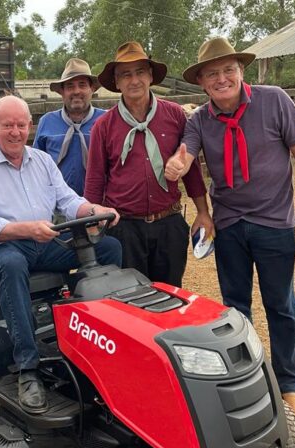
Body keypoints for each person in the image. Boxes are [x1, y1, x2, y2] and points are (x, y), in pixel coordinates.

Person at [166, 37, 295, 419]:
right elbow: (186, 152)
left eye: (228, 70)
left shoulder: (274, 100)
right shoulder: (200, 119)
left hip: (274, 223)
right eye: (212, 74)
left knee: (281, 304)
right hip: (230, 225)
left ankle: (289, 383)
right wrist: (178, 162)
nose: (222, 79)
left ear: (241, 71)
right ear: (202, 83)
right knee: (235, 308)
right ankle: (249, 377)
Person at [0, 95, 122, 414]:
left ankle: (90, 336)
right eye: (8, 125)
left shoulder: (42, 162)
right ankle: (28, 369)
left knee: (108, 248)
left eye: (21, 125)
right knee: (13, 264)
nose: (15, 132)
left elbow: (67, 200)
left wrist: (94, 209)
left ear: (29, 127)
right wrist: (29, 228)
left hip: (42, 238)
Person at [84, 41, 212, 287]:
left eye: (140, 72)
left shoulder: (174, 115)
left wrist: (203, 212)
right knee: (130, 300)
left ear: (151, 76)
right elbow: (95, 178)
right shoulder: (104, 125)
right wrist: (91, 223)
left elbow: (192, 172)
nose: (134, 80)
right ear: (117, 82)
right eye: (126, 75)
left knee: (171, 293)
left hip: (169, 222)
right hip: (124, 227)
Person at [33, 58, 105, 196]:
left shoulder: (105, 121)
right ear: (62, 92)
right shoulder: (47, 122)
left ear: (92, 89)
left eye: (82, 85)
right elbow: (36, 167)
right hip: (56, 205)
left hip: (98, 205)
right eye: (70, 86)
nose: (76, 91)